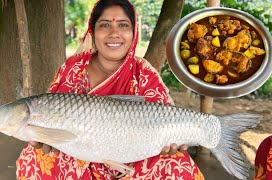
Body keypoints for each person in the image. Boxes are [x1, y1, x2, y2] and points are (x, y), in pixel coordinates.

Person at [16, 0, 204, 179]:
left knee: (178, 165)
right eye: (105, 25)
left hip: (134, 153)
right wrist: (45, 137)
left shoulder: (144, 71)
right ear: (93, 30)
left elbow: (165, 117)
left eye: (123, 25)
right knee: (33, 158)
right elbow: (49, 115)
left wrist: (171, 142)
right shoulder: (73, 68)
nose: (114, 33)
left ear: (133, 31)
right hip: (79, 152)